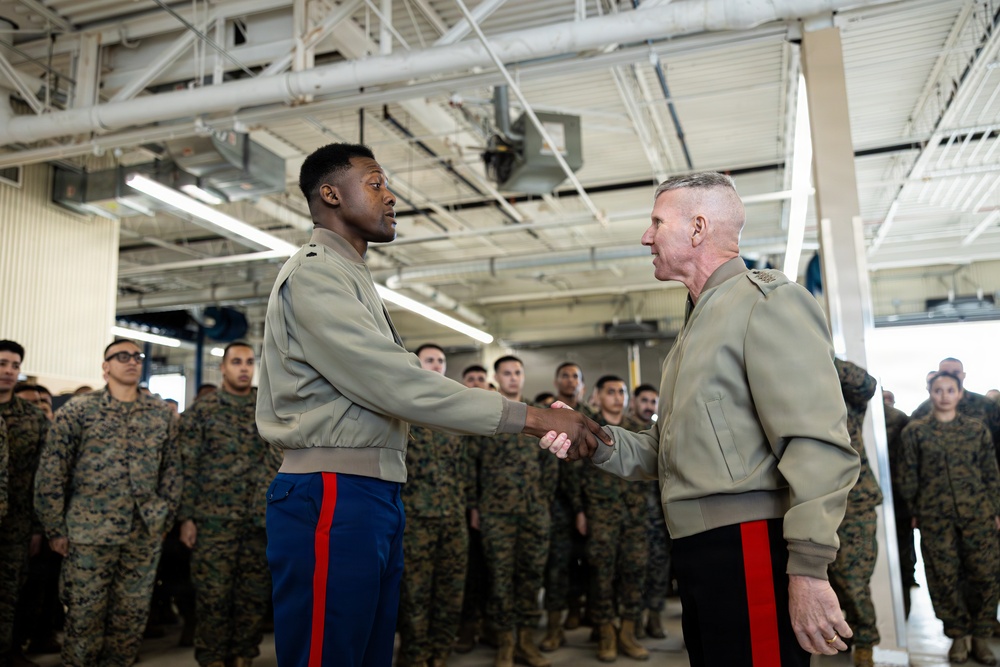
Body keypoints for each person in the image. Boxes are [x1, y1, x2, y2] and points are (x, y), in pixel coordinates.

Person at [255, 142, 608, 667]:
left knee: (370, 652)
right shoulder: (316, 273)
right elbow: (397, 384)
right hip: (333, 493)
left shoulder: (352, 274)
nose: (390, 195)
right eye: (375, 183)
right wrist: (531, 417)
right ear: (330, 194)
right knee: (330, 655)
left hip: (371, 492)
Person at [540, 172, 860, 666]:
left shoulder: (766, 303)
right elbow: (665, 447)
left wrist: (810, 569)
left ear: (697, 228)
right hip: (698, 546)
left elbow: (817, 445)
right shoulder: (698, 322)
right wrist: (596, 439)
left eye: (656, 222)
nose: (646, 236)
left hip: (749, 542)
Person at [34, 339, 181, 667]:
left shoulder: (159, 413)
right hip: (88, 533)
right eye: (122, 356)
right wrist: (55, 528)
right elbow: (53, 469)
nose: (132, 361)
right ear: (106, 366)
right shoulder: (79, 409)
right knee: (83, 621)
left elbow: (172, 469)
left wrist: (164, 518)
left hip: (143, 533)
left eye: (137, 356)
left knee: (129, 623)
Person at [177, 342, 279, 667]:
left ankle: (242, 656)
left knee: (253, 595)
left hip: (259, 520)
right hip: (213, 522)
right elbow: (187, 467)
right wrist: (187, 518)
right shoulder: (202, 412)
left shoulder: (269, 409)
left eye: (249, 362)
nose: (244, 368)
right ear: (223, 368)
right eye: (236, 362)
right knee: (213, 596)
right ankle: (212, 659)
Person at [899, 371, 1000, 665]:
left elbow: (991, 473)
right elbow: (908, 476)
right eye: (938, 390)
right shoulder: (915, 432)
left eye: (950, 390)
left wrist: (995, 510)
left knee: (985, 574)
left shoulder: (976, 430)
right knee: (944, 577)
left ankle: (981, 637)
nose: (944, 395)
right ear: (930, 392)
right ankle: (958, 635)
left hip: (977, 515)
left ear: (959, 393)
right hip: (934, 518)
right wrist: (914, 510)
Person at [468, 356, 557, 667]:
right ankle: (505, 643)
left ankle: (526, 642)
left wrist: (542, 502)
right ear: (497, 376)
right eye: (506, 373)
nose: (513, 378)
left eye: (518, 372)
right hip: (496, 513)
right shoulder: (488, 415)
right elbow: (472, 464)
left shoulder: (539, 416)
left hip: (534, 512)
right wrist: (476, 506)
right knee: (501, 578)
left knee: (531, 577)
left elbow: (550, 466)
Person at [396, 343, 472, 667]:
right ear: (416, 364)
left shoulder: (454, 412)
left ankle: (440, 652)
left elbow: (465, 468)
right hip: (416, 519)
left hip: (453, 517)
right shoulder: (401, 410)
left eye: (442, 361)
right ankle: (415, 655)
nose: (438, 365)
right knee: (414, 594)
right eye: (431, 360)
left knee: (451, 590)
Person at [580, 375, 650, 661]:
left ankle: (628, 632)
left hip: (634, 513)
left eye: (621, 392)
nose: (617, 397)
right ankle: (606, 632)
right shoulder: (587, 427)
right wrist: (580, 510)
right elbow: (574, 473)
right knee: (602, 574)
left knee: (634, 571)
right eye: (611, 392)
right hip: (600, 513)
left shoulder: (638, 429)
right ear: (598, 395)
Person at [828, 359, 881, 667]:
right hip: (811, 501)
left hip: (854, 499)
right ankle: (839, 634)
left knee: (853, 576)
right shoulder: (798, 395)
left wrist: (823, 353)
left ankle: (865, 641)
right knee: (824, 577)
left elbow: (867, 383)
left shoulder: (847, 397)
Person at [0, 341, 48, 667]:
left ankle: (7, 652)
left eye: (15, 365)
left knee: (9, 596)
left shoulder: (32, 418)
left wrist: (36, 527)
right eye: (3, 363)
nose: (8, 371)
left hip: (15, 525)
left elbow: (42, 476)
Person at [541, 361, 590, 649]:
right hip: (557, 504)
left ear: (581, 383)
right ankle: (554, 627)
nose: (570, 381)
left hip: (589, 502)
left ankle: (582, 611)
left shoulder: (589, 417)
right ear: (557, 380)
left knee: (588, 563)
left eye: (576, 376)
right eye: (565, 376)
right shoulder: (546, 414)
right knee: (556, 566)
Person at [630, 384, 671, 640]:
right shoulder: (623, 431)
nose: (648, 405)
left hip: (658, 517)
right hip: (631, 517)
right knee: (632, 573)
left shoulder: (663, 432)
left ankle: (654, 618)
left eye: (653, 401)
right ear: (633, 402)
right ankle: (631, 622)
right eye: (643, 400)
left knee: (658, 569)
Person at [910, 358, 1000, 462]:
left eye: (956, 372)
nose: (951, 376)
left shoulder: (986, 405)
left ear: (963, 375)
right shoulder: (924, 410)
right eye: (945, 372)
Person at [882, 389, 914, 616]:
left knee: (902, 551)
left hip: (899, 497)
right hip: (887, 496)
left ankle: (901, 609)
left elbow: (909, 461)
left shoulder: (899, 419)